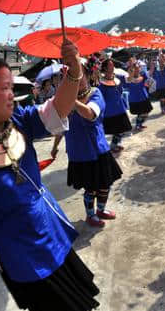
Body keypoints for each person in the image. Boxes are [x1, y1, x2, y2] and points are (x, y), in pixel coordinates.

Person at [0, 41, 100, 310]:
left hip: (50, 231)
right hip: (21, 254)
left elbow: (58, 109)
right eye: (5, 89)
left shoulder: (19, 121)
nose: (12, 95)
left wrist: (74, 70)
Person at [51, 62, 123, 228]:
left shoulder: (95, 93)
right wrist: (54, 147)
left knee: (105, 183)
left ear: (87, 75)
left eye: (78, 73)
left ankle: (101, 210)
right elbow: (60, 127)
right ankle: (90, 215)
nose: (74, 78)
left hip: (99, 148)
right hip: (79, 151)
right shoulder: (62, 102)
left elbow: (91, 114)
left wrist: (72, 101)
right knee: (90, 188)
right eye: (68, 76)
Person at [98, 59, 131, 153]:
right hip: (110, 111)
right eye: (110, 65)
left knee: (123, 128)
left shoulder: (118, 77)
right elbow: (101, 97)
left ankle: (114, 144)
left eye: (113, 65)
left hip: (120, 108)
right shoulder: (100, 82)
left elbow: (129, 80)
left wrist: (131, 69)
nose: (112, 67)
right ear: (105, 68)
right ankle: (113, 145)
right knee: (116, 129)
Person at [125, 62, 153, 131]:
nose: (137, 69)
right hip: (135, 99)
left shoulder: (143, 75)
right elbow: (128, 82)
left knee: (146, 113)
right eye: (135, 68)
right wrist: (131, 72)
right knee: (140, 113)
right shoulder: (128, 78)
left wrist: (149, 84)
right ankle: (138, 125)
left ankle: (139, 124)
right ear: (132, 69)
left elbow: (147, 83)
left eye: (138, 68)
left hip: (144, 97)